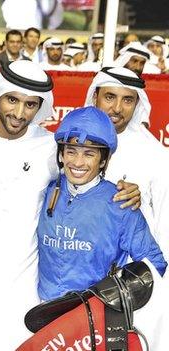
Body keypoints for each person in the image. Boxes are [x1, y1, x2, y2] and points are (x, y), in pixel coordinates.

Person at [0, 61, 141, 350]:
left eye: (31, 105)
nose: (19, 113)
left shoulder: (48, 147)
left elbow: (85, 184)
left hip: (23, 279)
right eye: (12, 100)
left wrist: (124, 191)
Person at [36, 106, 168, 349]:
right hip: (44, 314)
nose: (77, 162)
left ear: (104, 159)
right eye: (71, 151)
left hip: (92, 321)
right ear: (61, 155)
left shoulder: (120, 202)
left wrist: (115, 294)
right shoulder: (44, 190)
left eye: (89, 154)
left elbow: (154, 263)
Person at [85, 66, 169, 260]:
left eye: (127, 100)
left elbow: (165, 224)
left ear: (137, 103)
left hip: (129, 273)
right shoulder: (71, 143)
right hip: (76, 266)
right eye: (109, 97)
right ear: (95, 96)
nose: (117, 108)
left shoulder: (155, 154)